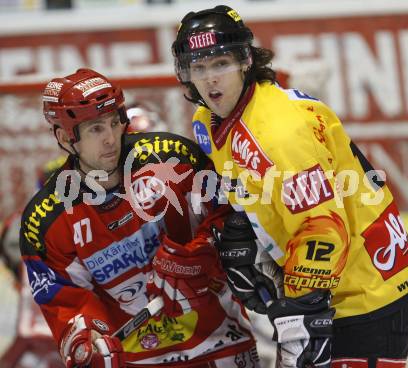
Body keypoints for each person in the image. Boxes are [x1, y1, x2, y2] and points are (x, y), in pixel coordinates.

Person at [172, 5, 408, 368]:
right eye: (199, 67)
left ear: (246, 61)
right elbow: (246, 194)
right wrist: (237, 238)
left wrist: (300, 310)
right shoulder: (210, 121)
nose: (210, 78)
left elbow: (323, 228)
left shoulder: (279, 130)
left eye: (220, 64)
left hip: (369, 292)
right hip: (340, 285)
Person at [19, 68, 260, 367]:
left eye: (113, 123)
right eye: (95, 129)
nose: (110, 139)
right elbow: (66, 301)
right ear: (65, 138)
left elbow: (232, 219)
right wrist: (89, 339)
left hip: (220, 341)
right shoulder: (44, 220)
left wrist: (200, 255)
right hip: (137, 359)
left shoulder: (173, 158)